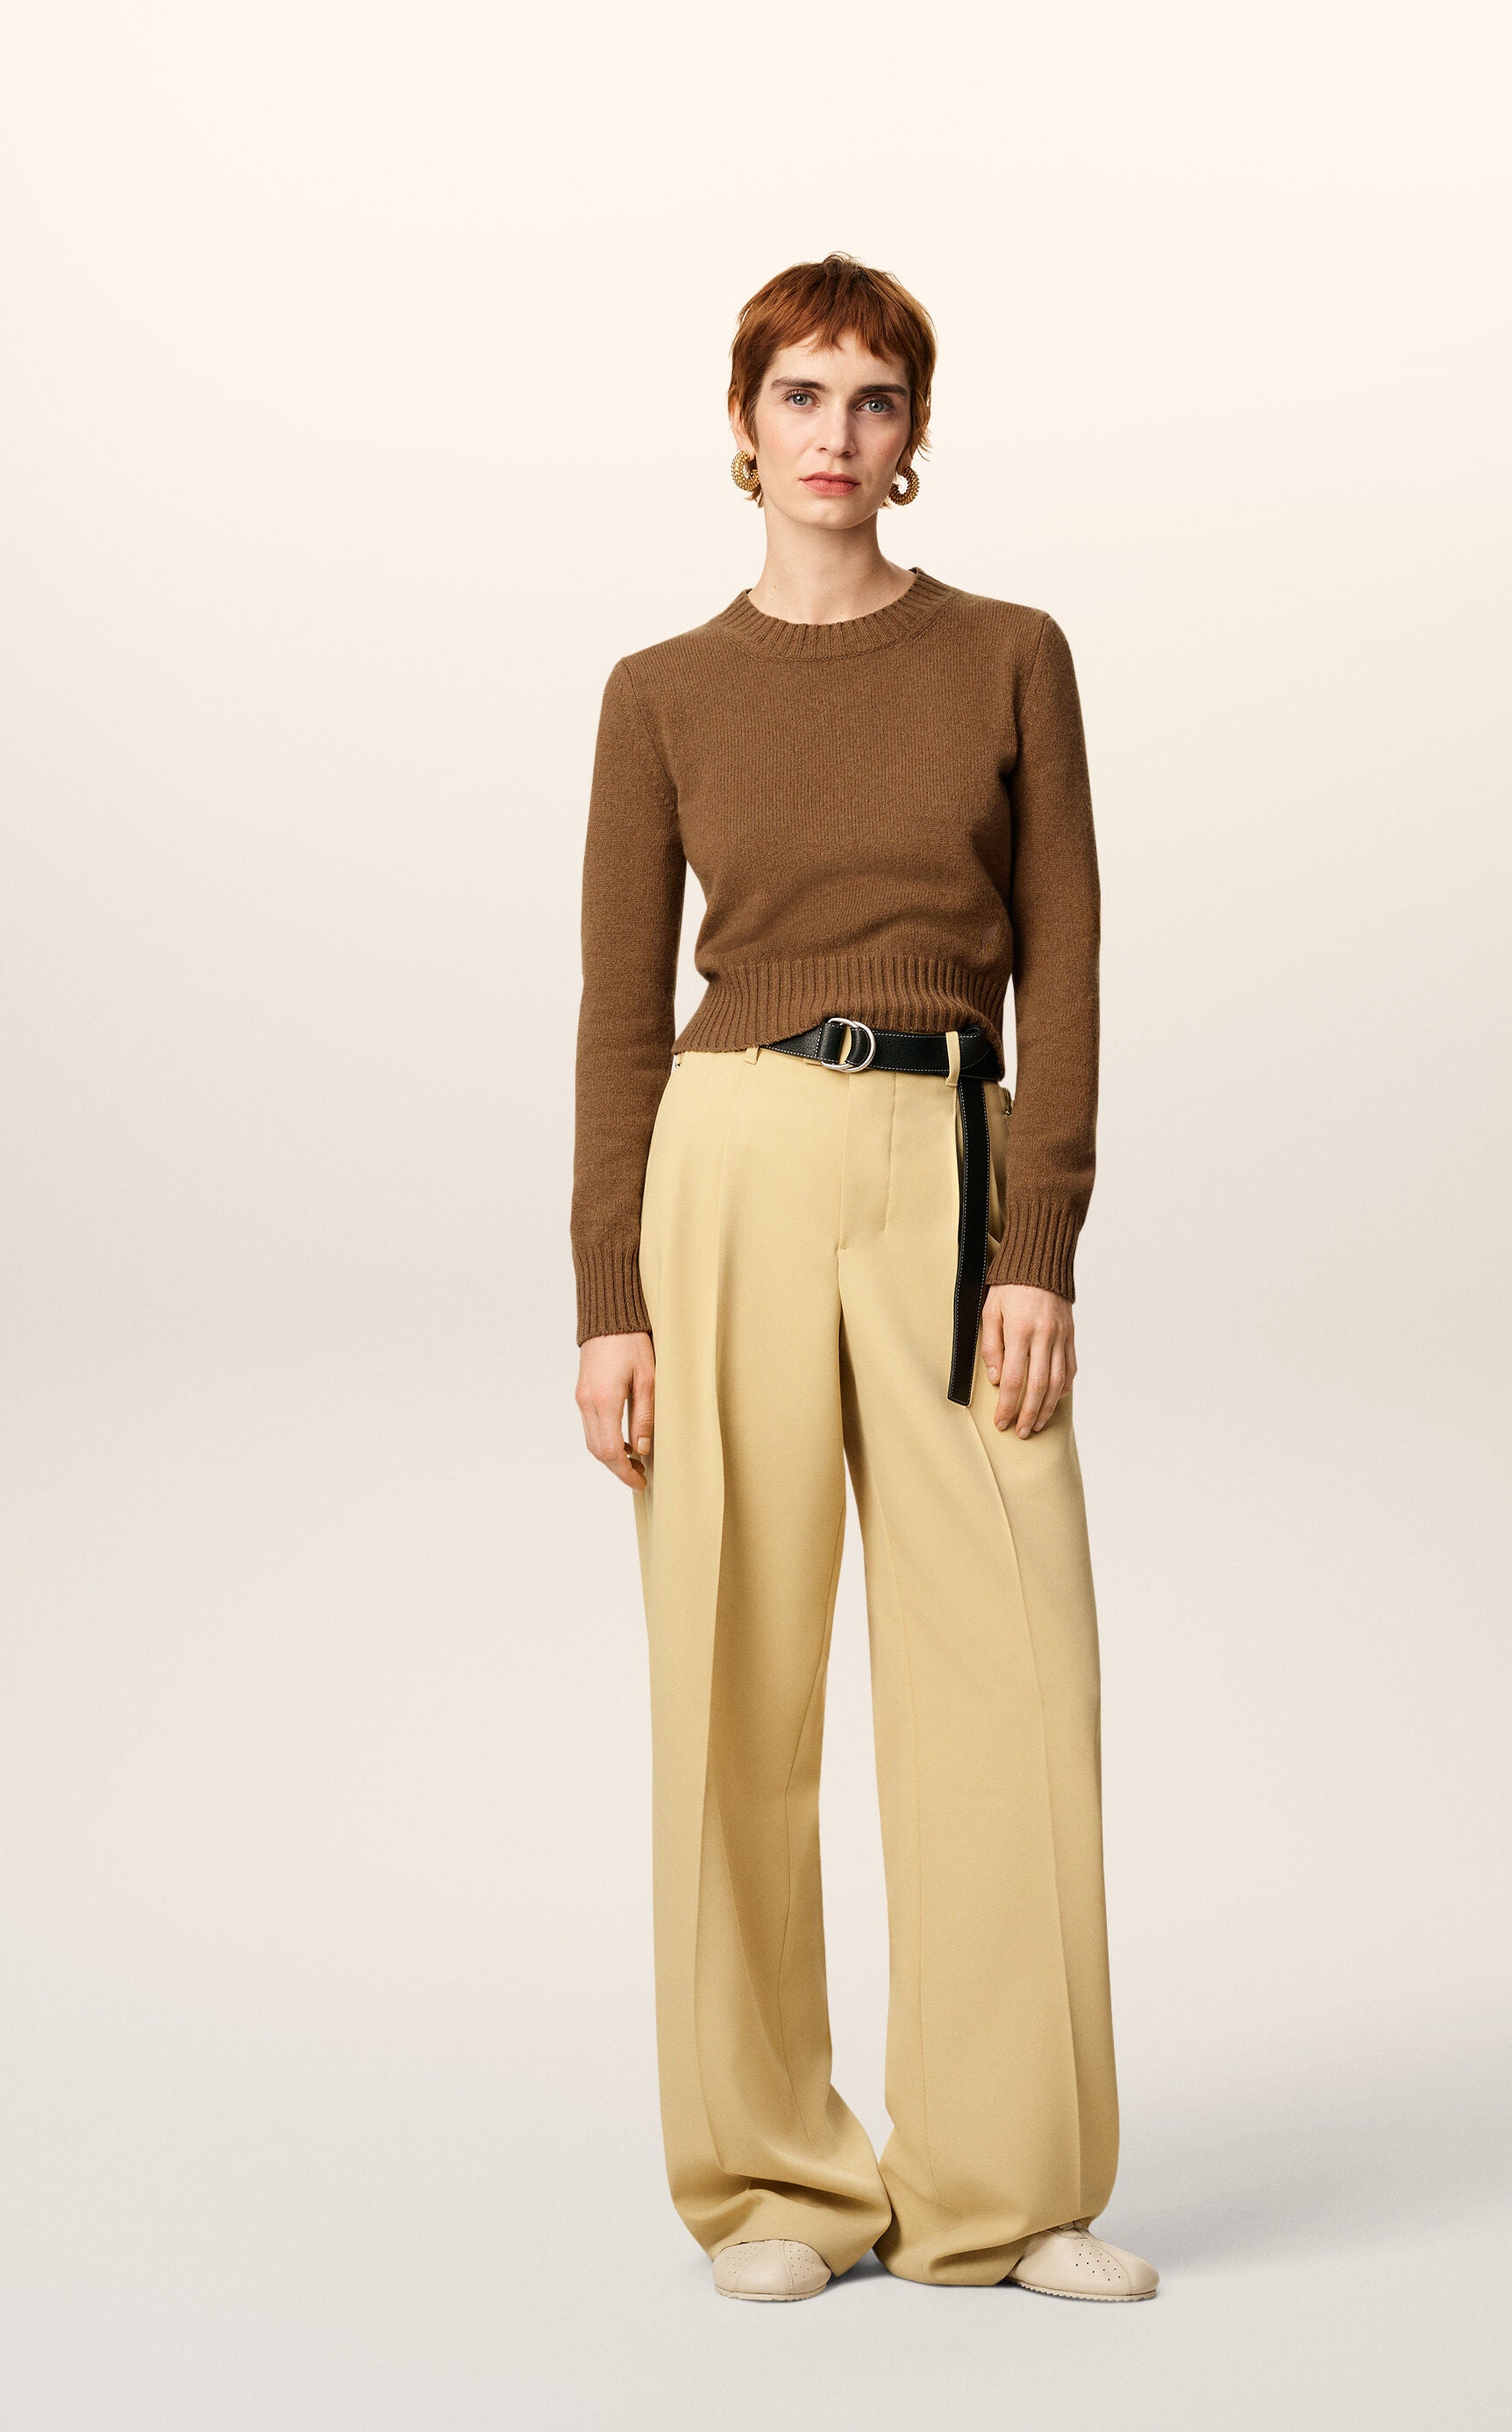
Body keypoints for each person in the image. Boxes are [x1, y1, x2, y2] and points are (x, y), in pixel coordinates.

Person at [569, 253, 1157, 2304]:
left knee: (1011, 1670)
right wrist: (609, 1299)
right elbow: (618, 1016)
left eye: (874, 397)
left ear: (916, 434)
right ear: (742, 427)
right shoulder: (660, 691)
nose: (836, 433)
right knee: (734, 1676)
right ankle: (773, 2183)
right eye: (801, 395)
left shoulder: (1009, 656)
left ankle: (1007, 2185)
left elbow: (1067, 965)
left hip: (944, 1156)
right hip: (725, 1163)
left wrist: (1038, 1243)